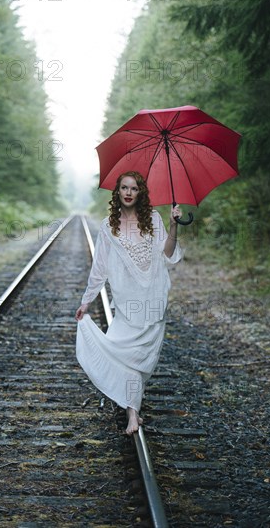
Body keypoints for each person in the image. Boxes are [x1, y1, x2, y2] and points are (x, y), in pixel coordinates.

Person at [75, 171, 183, 435]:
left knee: (140, 359)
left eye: (133, 189)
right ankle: (132, 414)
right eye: (124, 188)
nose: (128, 192)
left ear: (140, 193)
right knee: (124, 354)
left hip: (153, 298)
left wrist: (174, 225)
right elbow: (99, 268)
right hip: (126, 302)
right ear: (118, 192)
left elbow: (168, 254)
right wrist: (87, 300)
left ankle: (133, 410)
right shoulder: (107, 226)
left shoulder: (154, 219)